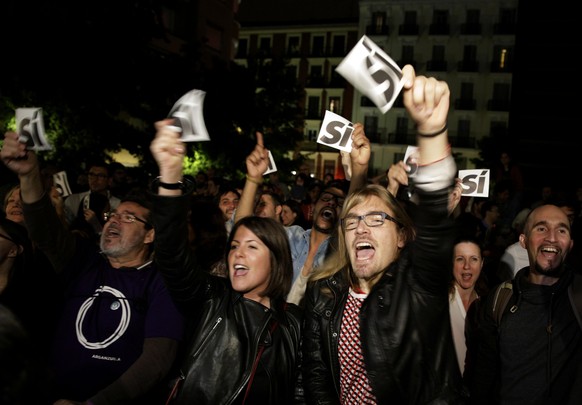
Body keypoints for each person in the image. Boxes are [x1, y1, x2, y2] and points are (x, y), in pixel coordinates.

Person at [301, 65, 465, 403]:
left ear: (402, 236)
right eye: (352, 221)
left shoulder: (417, 290)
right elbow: (315, 381)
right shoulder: (324, 295)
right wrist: (358, 173)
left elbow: (434, 228)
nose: (360, 226)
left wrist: (432, 133)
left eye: (376, 218)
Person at [0, 132, 185, 404]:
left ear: (150, 235)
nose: (114, 221)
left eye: (128, 218)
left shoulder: (161, 282)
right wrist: (29, 176)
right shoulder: (84, 262)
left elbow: (157, 360)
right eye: (113, 215)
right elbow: (45, 230)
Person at [148, 122, 303, 404]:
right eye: (233, 246)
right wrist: (171, 176)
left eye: (251, 247)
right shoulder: (211, 298)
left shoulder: (294, 323)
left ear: (277, 258)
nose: (237, 254)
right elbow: (171, 252)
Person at [236, 126, 370, 306]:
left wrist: (360, 168)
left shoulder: (341, 250)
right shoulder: (290, 236)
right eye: (326, 198)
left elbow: (356, 214)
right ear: (312, 209)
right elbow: (242, 232)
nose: (331, 203)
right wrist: (252, 179)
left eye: (339, 203)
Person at [465, 204, 582, 404]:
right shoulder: (499, 300)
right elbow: (482, 376)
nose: (552, 237)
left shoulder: (578, 295)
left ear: (570, 244)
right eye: (541, 228)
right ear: (524, 240)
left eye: (561, 230)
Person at [449, 237, 485, 375]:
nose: (466, 266)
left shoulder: (486, 305)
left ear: (482, 263)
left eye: (473, 259)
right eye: (460, 259)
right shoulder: (439, 303)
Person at [63, 161, 121, 227]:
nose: (94, 179)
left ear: (109, 180)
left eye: (100, 176)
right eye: (91, 175)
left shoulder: (118, 205)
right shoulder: (73, 200)